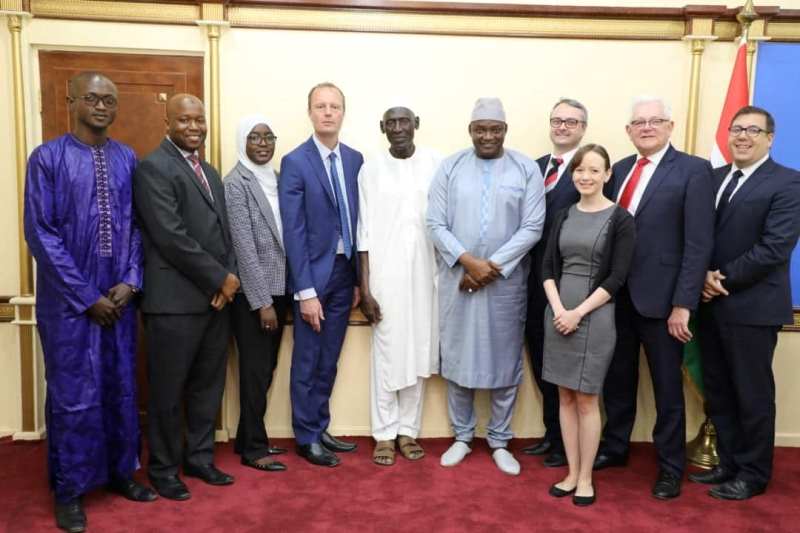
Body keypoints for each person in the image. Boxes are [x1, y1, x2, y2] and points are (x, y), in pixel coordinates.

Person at [23, 71, 156, 533]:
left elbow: (139, 226)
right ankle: (70, 489)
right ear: (71, 99)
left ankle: (121, 473)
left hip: (118, 299)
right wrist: (86, 296)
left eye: (109, 100)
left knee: (121, 387)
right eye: (93, 98)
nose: (102, 106)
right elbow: (41, 234)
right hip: (68, 306)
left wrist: (130, 280)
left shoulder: (126, 158)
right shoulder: (47, 158)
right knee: (74, 396)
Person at [596, 96, 714, 500]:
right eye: (639, 122)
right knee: (617, 380)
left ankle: (669, 468)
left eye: (655, 121)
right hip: (616, 297)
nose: (646, 127)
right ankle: (614, 448)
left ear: (670, 126)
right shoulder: (621, 170)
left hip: (663, 302)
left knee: (666, 389)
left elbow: (698, 243)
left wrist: (684, 303)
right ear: (628, 130)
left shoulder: (694, 171)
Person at [427, 97, 545, 476]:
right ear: (471, 131)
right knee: (459, 358)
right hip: (458, 280)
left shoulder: (525, 168)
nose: (488, 136)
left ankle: (499, 440)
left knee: (504, 361)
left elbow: (532, 227)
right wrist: (469, 263)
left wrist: (489, 269)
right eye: (481, 129)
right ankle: (462, 437)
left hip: (504, 286)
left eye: (495, 129)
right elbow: (435, 223)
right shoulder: (451, 167)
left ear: (505, 131)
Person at [690, 106, 800, 500]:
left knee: (751, 394)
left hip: (752, 308)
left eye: (753, 130)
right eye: (737, 129)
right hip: (709, 305)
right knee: (718, 389)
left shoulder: (789, 183)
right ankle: (729, 464)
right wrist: (700, 276)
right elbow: (697, 235)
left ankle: (753, 473)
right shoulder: (713, 178)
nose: (743, 136)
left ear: (770, 138)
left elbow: (774, 248)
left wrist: (720, 279)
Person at [134, 94, 240, 500]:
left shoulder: (209, 172)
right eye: (184, 120)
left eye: (199, 120)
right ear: (168, 122)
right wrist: (219, 279)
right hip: (173, 304)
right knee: (166, 392)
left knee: (206, 388)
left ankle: (199, 459)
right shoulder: (153, 168)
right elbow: (170, 236)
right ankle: (163, 470)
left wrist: (226, 278)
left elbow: (223, 232)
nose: (194, 127)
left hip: (215, 301)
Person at [542, 144, 636, 506]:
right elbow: (548, 267)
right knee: (564, 396)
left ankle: (585, 478)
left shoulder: (621, 219)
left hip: (594, 316)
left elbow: (617, 278)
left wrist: (577, 313)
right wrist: (558, 310)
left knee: (586, 398)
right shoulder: (564, 214)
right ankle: (569, 471)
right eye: (580, 170)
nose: (585, 176)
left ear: (607, 175)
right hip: (557, 313)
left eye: (594, 170)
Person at [279, 82, 364, 467]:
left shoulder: (355, 159)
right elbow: (293, 232)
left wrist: (361, 280)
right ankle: (306, 436)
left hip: (346, 274)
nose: (328, 112)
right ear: (310, 113)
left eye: (335, 106)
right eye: (320, 106)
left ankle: (321, 426)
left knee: (330, 358)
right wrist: (306, 291)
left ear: (343, 113)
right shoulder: (296, 162)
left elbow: (360, 221)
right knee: (308, 359)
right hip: (314, 278)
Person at [357, 105, 441, 466]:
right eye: (390, 122)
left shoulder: (437, 163)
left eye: (404, 121)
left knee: (419, 351)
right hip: (384, 276)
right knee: (388, 354)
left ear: (416, 125)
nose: (398, 128)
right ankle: (384, 434)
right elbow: (362, 232)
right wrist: (365, 288)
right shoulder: (370, 169)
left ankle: (408, 431)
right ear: (382, 128)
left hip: (426, 274)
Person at [522, 98, 585, 467]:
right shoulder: (534, 168)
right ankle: (551, 433)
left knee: (566, 364)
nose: (563, 127)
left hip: (569, 282)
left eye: (571, 122)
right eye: (557, 121)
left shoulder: (588, 167)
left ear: (582, 128)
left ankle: (568, 443)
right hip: (531, 280)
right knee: (542, 357)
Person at [225, 115, 289, 473]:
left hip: (280, 289)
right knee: (254, 370)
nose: (263, 144)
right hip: (255, 295)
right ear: (242, 142)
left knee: (266, 368)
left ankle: (249, 436)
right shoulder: (236, 183)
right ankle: (253, 448)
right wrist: (263, 303)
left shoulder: (276, 180)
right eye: (254, 138)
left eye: (268, 137)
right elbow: (244, 247)